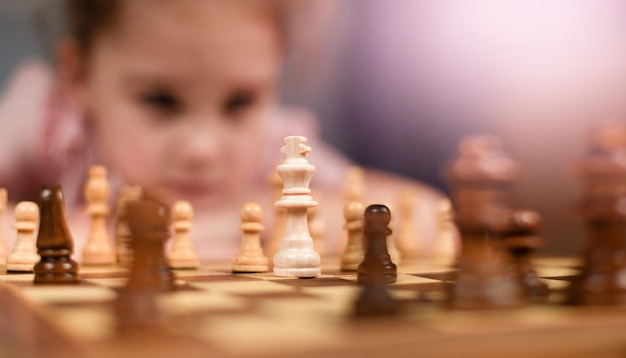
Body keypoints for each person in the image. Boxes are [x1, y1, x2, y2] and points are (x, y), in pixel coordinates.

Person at [0, 0, 446, 260]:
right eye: (160, 100)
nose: (203, 148)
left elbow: (428, 217)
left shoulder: (279, 149)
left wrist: (283, 220)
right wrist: (74, 237)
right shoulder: (49, 119)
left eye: (239, 103)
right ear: (79, 77)